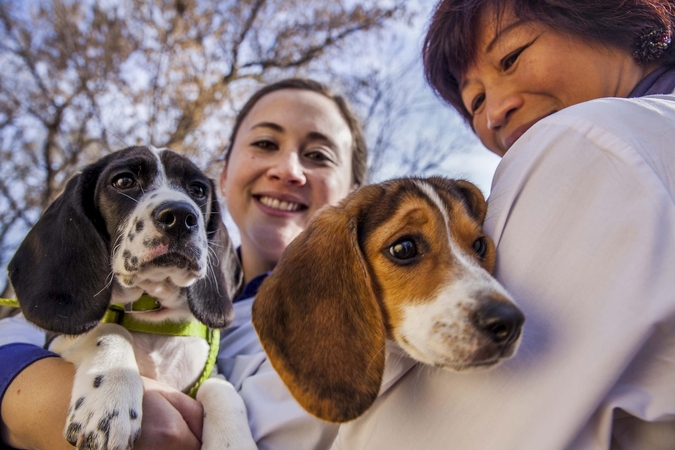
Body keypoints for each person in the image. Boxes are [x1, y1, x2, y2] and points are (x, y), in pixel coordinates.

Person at [328, 1, 675, 449]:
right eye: (475, 101)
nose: (493, 114)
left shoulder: (587, 140)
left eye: (511, 57)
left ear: (610, 16)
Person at [0, 78, 367, 449]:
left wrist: (218, 401)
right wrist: (94, 356)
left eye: (319, 155)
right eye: (265, 144)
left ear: (356, 191)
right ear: (225, 177)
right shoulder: (76, 312)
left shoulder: (371, 311)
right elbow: (16, 339)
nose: (288, 170)